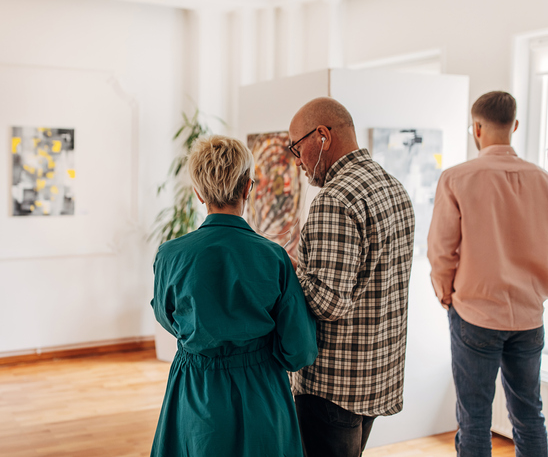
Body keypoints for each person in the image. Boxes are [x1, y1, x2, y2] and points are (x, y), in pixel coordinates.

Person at [150, 135, 318, 457]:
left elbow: (167, 318)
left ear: (199, 193)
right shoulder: (274, 258)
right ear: (248, 188)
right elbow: (299, 350)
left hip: (195, 387)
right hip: (261, 390)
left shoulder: (169, 256)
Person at [287, 97, 415, 457]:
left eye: (297, 147)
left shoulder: (335, 200)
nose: (297, 161)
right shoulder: (393, 187)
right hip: (376, 375)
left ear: (323, 136)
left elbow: (328, 303)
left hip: (333, 386)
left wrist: (289, 266)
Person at [427, 91, 548, 457]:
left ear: (476, 128)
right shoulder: (543, 180)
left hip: (475, 313)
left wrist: (445, 294)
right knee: (529, 414)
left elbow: (441, 250)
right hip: (528, 315)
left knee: (475, 418)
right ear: (514, 125)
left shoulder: (457, 177)